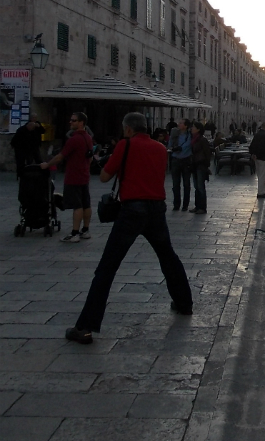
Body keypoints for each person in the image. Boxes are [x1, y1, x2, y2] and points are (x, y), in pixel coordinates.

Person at [64, 112, 193, 344]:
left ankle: (85, 327)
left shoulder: (126, 145)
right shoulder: (159, 148)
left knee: (107, 267)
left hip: (132, 210)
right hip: (156, 210)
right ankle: (184, 303)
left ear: (129, 129)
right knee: (168, 257)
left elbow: (104, 177)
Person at [41, 111, 93, 242]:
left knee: (77, 205)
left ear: (81, 123)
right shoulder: (88, 137)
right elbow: (90, 157)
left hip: (73, 176)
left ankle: (75, 233)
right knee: (86, 204)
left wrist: (47, 164)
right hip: (84, 175)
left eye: (74, 120)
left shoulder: (74, 139)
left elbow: (60, 156)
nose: (70, 122)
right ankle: (85, 230)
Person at [168, 118, 192, 211]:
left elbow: (188, 145)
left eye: (181, 123)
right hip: (175, 160)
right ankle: (176, 204)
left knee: (186, 184)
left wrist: (180, 148)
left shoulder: (190, 135)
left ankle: (185, 205)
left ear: (185, 126)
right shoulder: (174, 134)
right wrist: (172, 147)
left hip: (186, 160)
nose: (179, 124)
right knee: (175, 184)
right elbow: (170, 144)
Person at [191, 121, 212, 213]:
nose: (192, 128)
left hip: (201, 164)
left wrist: (206, 165)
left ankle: (202, 207)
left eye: (193, 127)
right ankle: (197, 206)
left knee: (200, 186)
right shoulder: (193, 139)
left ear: (198, 129)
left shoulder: (202, 140)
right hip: (194, 164)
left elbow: (207, 153)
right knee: (196, 186)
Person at [249, 121, 265, 198]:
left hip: (257, 158)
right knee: (263, 175)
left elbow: (252, 145)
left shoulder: (257, 134)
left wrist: (253, 154)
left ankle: (261, 191)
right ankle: (261, 192)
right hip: (264, 158)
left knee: (259, 175)